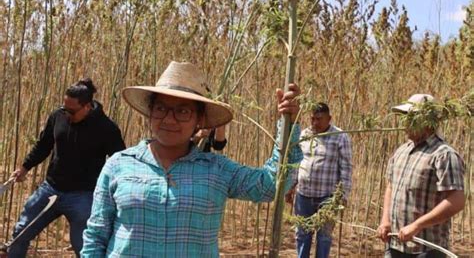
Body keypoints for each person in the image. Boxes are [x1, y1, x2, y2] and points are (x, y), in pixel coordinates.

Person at [81, 61, 303, 257]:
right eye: (161, 109)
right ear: (150, 113)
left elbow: (270, 185)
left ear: (200, 119)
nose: (169, 119)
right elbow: (96, 235)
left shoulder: (216, 170)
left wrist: (289, 126)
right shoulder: (119, 165)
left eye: (183, 111)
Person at [7, 78, 125, 257]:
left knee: (85, 247)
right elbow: (43, 145)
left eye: (71, 111)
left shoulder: (106, 128)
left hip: (83, 196)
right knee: (20, 234)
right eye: (64, 108)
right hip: (50, 189)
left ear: (87, 106)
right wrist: (25, 167)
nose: (67, 114)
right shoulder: (58, 117)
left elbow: (119, 162)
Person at [377, 94, 465, 258]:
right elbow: (391, 186)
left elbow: (457, 200)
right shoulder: (402, 151)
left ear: (427, 121)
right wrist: (385, 220)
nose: (405, 123)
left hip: (426, 249)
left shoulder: (444, 155)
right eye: (405, 117)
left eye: (411, 117)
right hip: (395, 243)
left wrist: (417, 225)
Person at [286, 102, 352, 258]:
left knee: (324, 237)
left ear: (329, 118)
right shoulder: (304, 135)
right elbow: (296, 164)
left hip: (328, 198)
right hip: (303, 196)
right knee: (302, 234)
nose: (315, 122)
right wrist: (290, 187)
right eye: (312, 119)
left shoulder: (340, 137)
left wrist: (343, 196)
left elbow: (346, 169)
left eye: (319, 119)